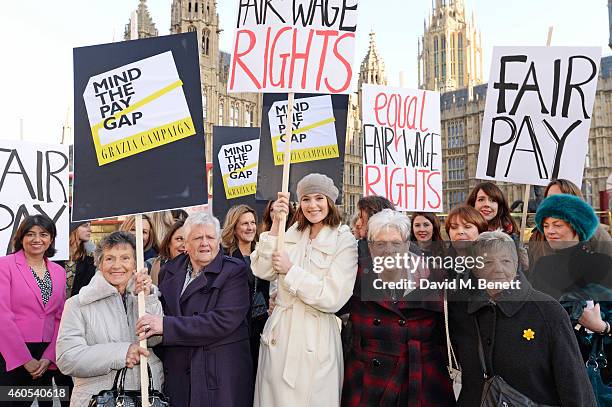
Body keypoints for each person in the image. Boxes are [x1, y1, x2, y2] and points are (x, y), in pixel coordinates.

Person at [449, 231, 596, 406]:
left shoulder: (547, 311)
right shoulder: (463, 312)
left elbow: (573, 382)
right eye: (487, 262)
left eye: (505, 261)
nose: (498, 269)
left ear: (516, 263)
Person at [251, 173, 358, 406]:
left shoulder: (343, 239)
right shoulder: (293, 232)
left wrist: (291, 272)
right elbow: (262, 269)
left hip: (316, 336)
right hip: (280, 334)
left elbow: (333, 297)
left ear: (330, 201)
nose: (312, 205)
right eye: (306, 199)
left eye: (319, 198)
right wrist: (277, 225)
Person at [341, 209, 454, 406]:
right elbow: (327, 300)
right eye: (380, 244)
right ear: (370, 246)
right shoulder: (355, 274)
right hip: (369, 379)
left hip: (420, 377)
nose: (389, 250)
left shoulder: (433, 274)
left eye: (396, 243)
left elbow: (455, 322)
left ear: (406, 244)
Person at [138, 212, 252, 407]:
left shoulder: (234, 271)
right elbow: (162, 311)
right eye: (198, 238)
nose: (204, 243)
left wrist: (167, 325)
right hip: (179, 374)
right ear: (186, 244)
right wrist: (148, 293)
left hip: (218, 376)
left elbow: (221, 321)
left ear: (218, 242)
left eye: (210, 237)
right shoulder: (169, 270)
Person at [56, 231, 163, 407]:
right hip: (97, 400)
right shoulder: (77, 304)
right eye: (109, 258)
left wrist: (146, 299)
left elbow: (156, 339)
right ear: (99, 264)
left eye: (125, 258)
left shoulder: (145, 296)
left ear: (135, 263)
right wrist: (121, 353)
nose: (117, 265)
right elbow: (67, 358)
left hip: (146, 397)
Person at [531, 194, 612, 388]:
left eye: (557, 225)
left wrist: (601, 326)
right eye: (546, 224)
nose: (550, 231)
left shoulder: (602, 263)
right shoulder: (542, 265)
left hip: (593, 366)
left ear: (576, 226)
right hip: (550, 365)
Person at [0, 215, 68, 407]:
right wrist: (24, 359)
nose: (37, 239)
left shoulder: (59, 271)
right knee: (13, 403)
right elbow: (2, 315)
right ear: (21, 238)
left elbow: (60, 316)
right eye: (30, 234)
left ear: (51, 239)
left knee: (46, 403)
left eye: (43, 234)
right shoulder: (4, 265)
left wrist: (49, 356)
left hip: (45, 357)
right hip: (12, 355)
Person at [221, 204, 269, 378]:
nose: (250, 227)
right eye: (244, 224)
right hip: (236, 326)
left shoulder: (262, 252)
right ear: (234, 227)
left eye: (253, 222)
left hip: (262, 324)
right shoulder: (225, 256)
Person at [528, 178, 612, 270]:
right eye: (551, 198)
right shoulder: (537, 236)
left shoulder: (595, 233)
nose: (554, 203)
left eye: (561, 199)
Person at [58, 221, 96, 298]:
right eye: (85, 226)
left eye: (90, 225)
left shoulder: (90, 258)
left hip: (77, 307)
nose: (90, 229)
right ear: (72, 227)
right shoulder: (54, 256)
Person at [149, 220, 186, 286]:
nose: (184, 245)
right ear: (169, 242)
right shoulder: (159, 264)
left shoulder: (196, 269)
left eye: (188, 240)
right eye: (179, 239)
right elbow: (154, 293)